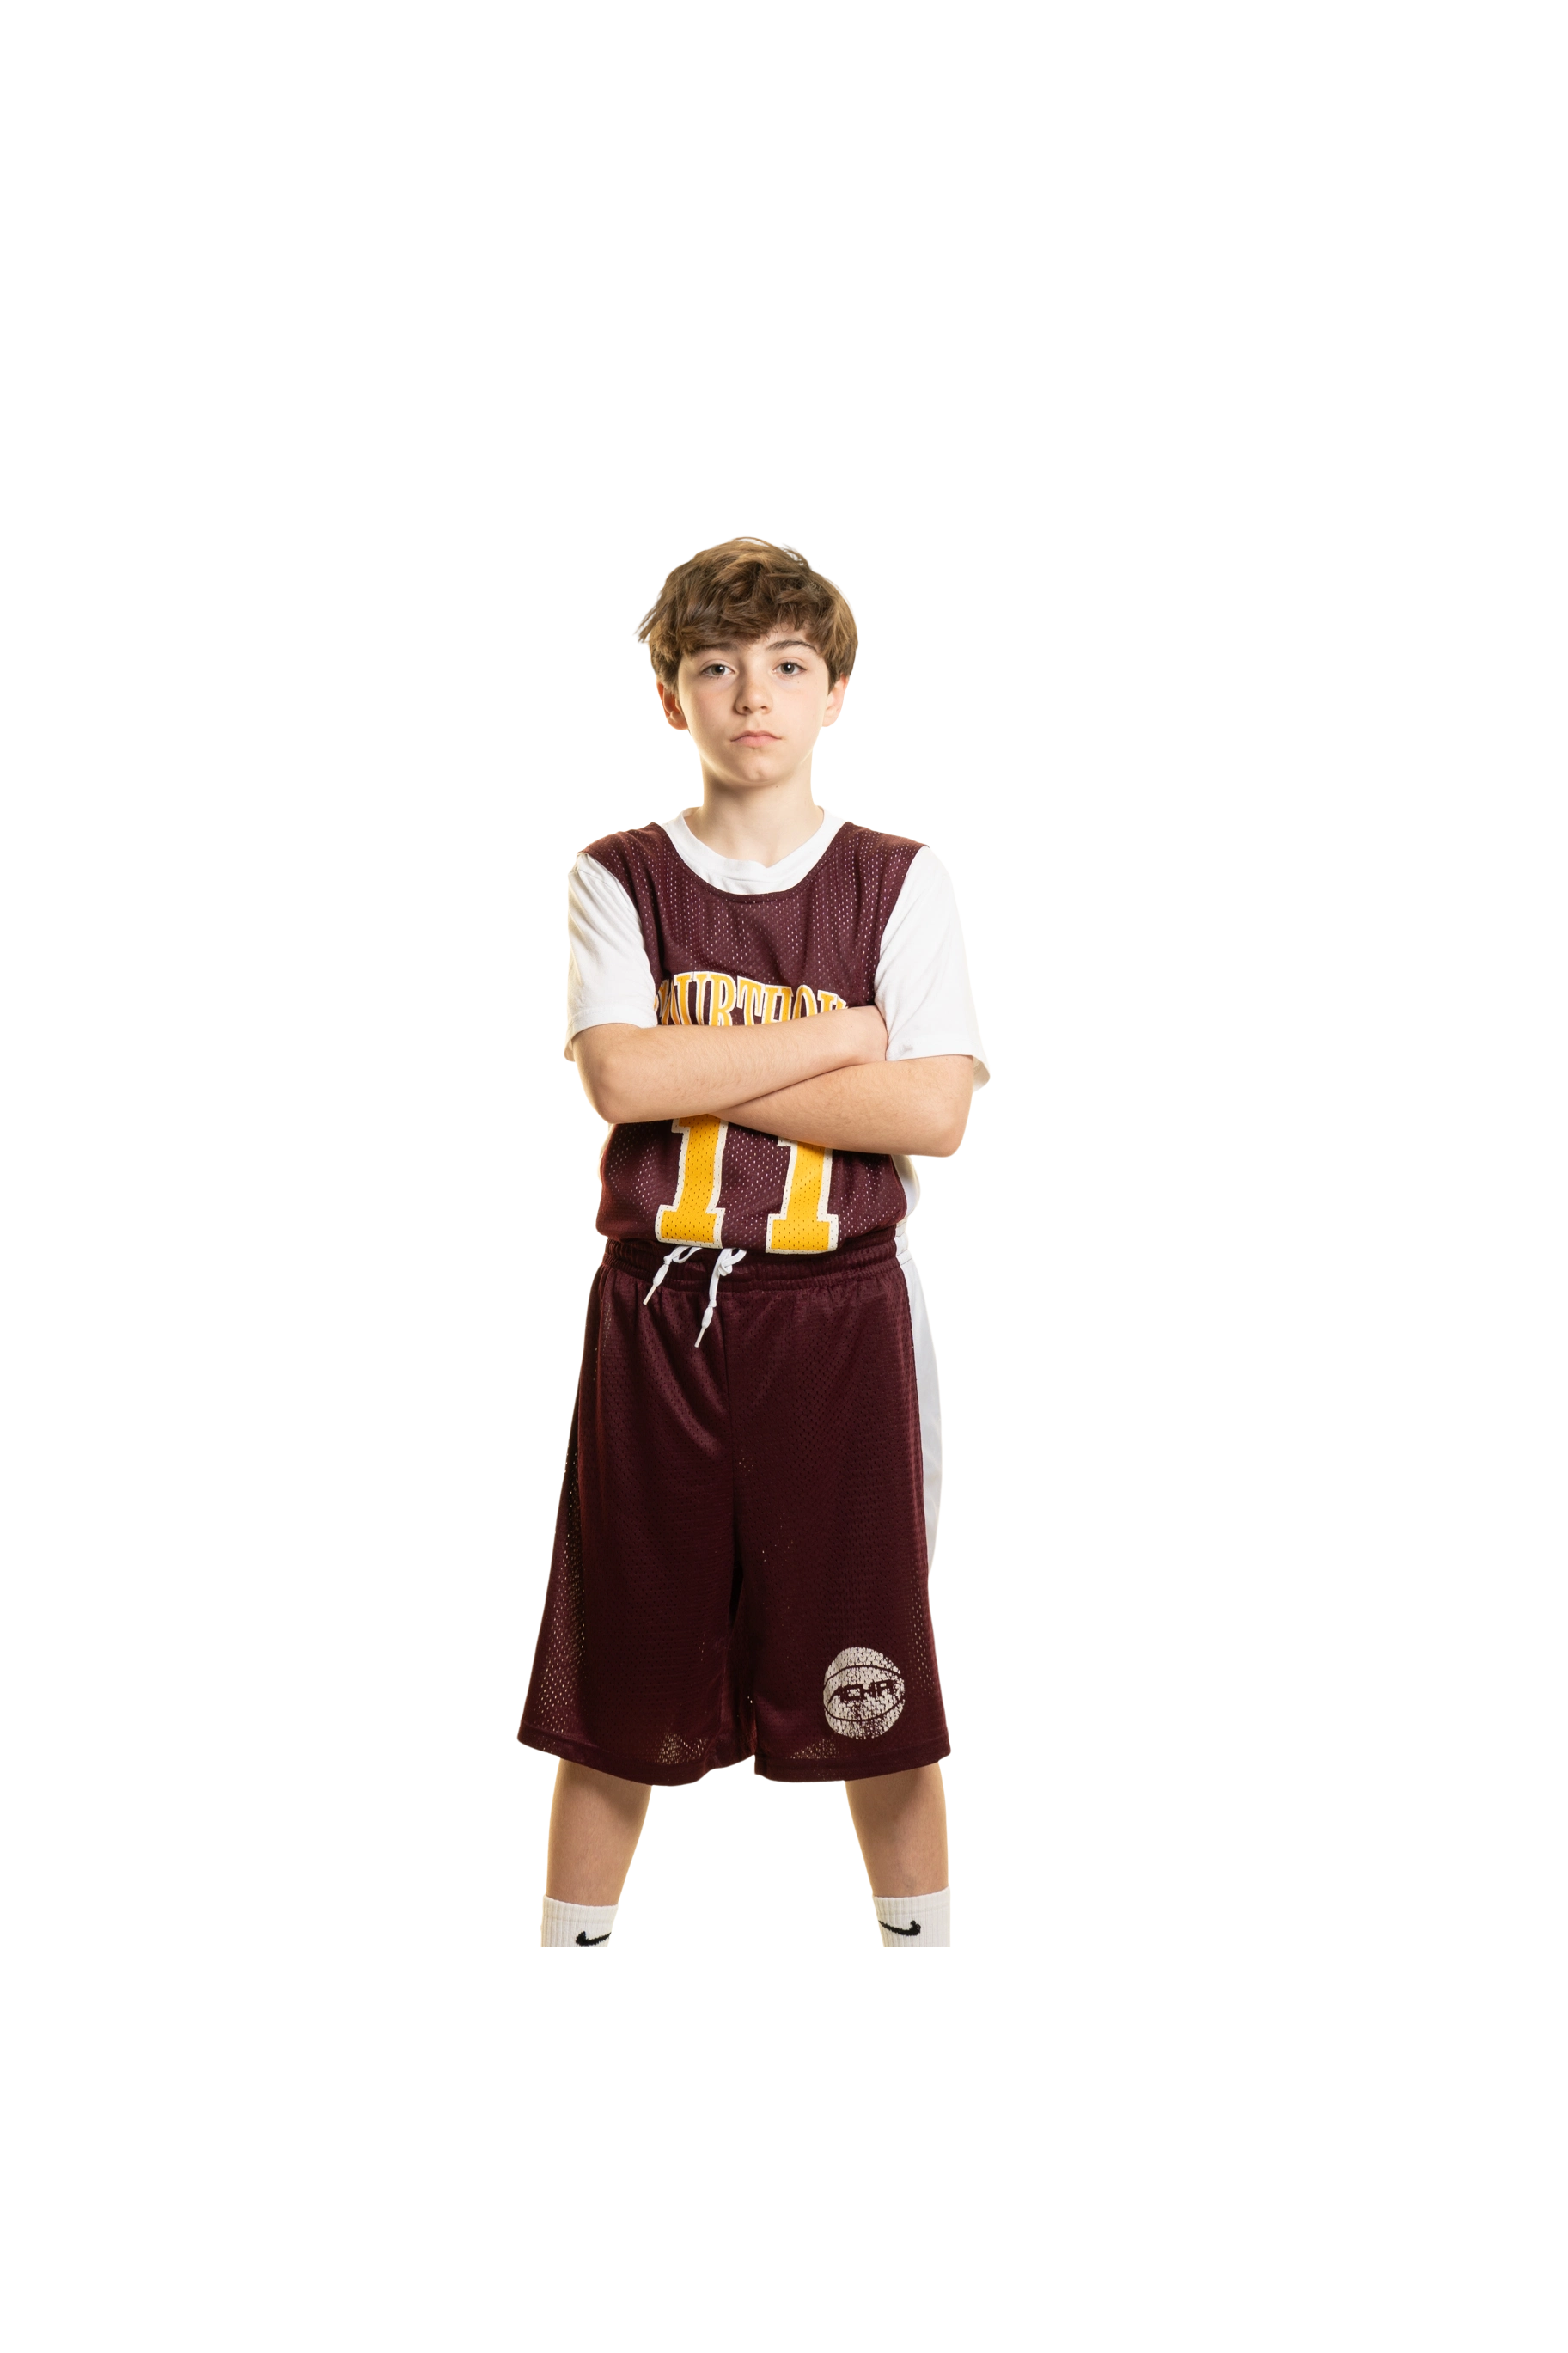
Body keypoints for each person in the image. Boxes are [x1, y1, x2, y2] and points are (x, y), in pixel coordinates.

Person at [518, 536, 990, 1947]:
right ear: (671, 694)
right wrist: (847, 1033)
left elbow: (933, 1110)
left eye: (787, 663)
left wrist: (703, 1063)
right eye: (715, 665)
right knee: (617, 1689)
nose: (752, 694)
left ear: (835, 689)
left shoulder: (897, 881)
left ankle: (926, 1962)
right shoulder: (619, 876)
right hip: (658, 1316)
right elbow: (622, 1078)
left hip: (839, 1318)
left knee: (880, 1682)